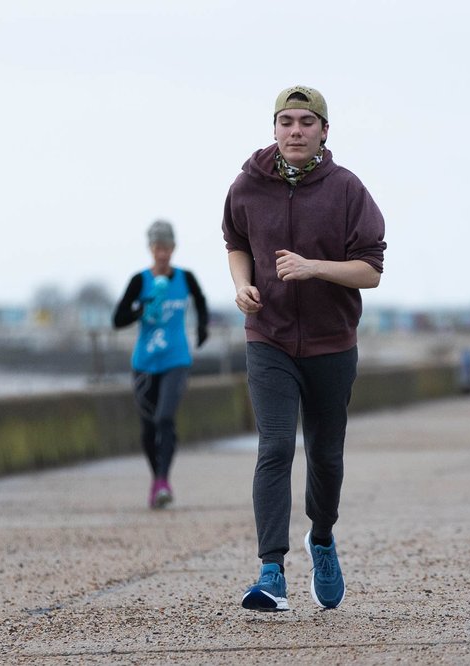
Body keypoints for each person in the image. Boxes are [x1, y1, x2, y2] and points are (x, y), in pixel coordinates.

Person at [222, 85, 386, 612]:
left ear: (323, 131)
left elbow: (371, 271)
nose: (295, 130)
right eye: (286, 121)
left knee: (325, 455)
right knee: (274, 447)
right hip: (267, 338)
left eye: (305, 122)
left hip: (330, 343)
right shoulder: (247, 185)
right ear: (274, 128)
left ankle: (322, 539)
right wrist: (242, 286)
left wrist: (314, 268)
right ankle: (271, 572)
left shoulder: (345, 190)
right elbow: (237, 244)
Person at [112, 220, 209, 509]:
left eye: (167, 247)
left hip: (176, 359)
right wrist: (141, 308)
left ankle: (164, 479)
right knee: (148, 427)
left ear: (174, 248)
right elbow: (117, 320)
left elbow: (201, 301)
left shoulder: (185, 278)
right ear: (150, 249)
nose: (163, 253)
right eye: (157, 247)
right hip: (144, 363)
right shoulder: (139, 281)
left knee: (165, 418)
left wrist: (203, 328)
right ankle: (157, 482)